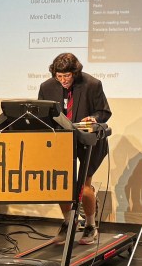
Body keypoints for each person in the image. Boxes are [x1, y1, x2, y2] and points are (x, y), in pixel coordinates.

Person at [37, 52, 111, 245]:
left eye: (67, 76)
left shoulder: (92, 84)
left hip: (87, 139)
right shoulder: (46, 87)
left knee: (84, 187)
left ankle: (90, 225)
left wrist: (93, 118)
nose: (63, 80)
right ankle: (68, 221)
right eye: (59, 76)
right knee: (62, 185)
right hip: (61, 141)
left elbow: (103, 111)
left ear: (75, 73)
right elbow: (42, 113)